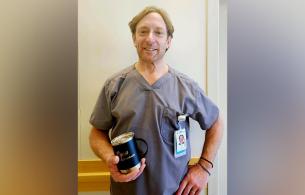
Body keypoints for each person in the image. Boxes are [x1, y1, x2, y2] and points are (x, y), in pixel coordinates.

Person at [89, 6, 223, 195]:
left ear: (168, 41)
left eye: (158, 32)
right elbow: (97, 133)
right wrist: (108, 156)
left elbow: (216, 122)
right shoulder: (114, 86)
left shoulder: (186, 88)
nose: (150, 38)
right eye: (143, 31)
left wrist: (204, 167)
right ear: (134, 38)